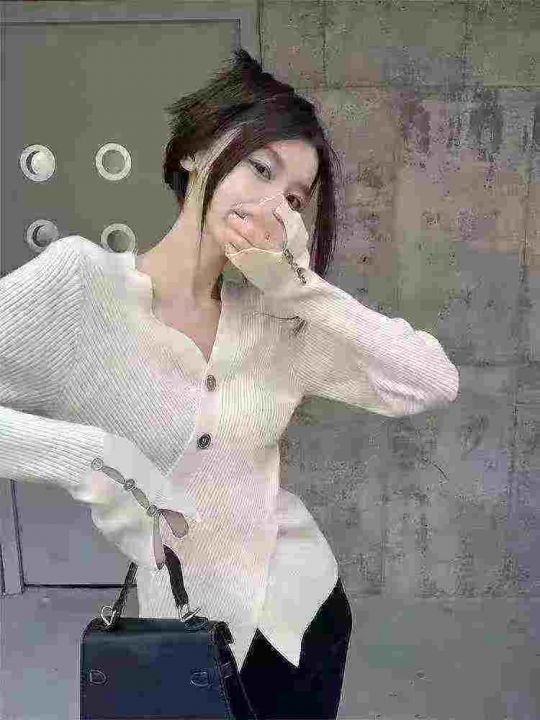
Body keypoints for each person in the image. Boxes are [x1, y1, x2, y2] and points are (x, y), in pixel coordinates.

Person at [0, 48, 459, 719]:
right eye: (261, 169)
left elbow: (431, 382)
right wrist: (91, 458)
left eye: (294, 198)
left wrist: (303, 290)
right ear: (198, 151)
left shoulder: (277, 322)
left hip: (303, 617)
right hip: (177, 636)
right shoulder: (81, 288)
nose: (274, 205)